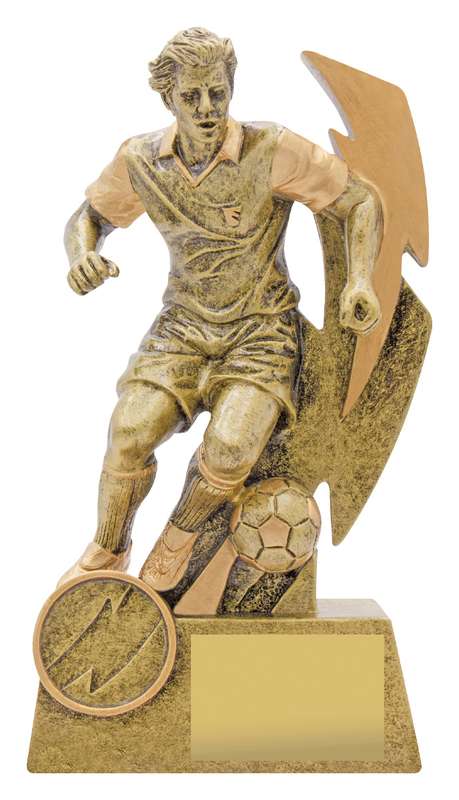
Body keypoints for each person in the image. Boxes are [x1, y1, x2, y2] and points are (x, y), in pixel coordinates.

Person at [59, 27, 382, 590]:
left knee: (232, 448)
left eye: (218, 93)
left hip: (260, 333)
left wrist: (360, 280)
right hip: (182, 329)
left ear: (232, 87)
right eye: (192, 96)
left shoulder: (271, 149)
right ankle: (108, 547)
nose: (207, 109)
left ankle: (179, 536)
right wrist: (83, 255)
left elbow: (360, 200)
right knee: (128, 432)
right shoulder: (141, 160)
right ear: (168, 98)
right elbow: (88, 217)